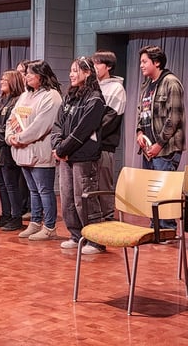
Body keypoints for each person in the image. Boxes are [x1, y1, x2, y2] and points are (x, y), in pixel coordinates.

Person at [51, 56, 106, 254]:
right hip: (66, 157)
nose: (71, 74)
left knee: (84, 200)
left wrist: (61, 150)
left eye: (76, 70)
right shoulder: (70, 96)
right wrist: (57, 146)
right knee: (67, 199)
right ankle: (77, 236)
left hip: (83, 157)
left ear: (88, 72)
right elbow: (58, 125)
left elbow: (82, 131)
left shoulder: (95, 99)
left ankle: (95, 241)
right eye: (71, 70)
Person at [5, 59, 62, 241]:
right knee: (33, 190)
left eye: (30, 73)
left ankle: (50, 226)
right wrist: (9, 137)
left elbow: (41, 126)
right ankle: (35, 222)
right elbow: (11, 118)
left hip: (39, 151)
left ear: (41, 75)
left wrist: (20, 138)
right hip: (21, 150)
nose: (26, 76)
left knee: (44, 190)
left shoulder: (51, 96)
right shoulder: (25, 96)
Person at [136, 45, 186, 231]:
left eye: (144, 61)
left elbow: (174, 118)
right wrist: (139, 132)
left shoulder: (171, 82)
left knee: (163, 190)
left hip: (165, 148)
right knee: (152, 191)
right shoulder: (146, 85)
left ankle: (166, 230)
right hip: (149, 149)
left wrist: (158, 144)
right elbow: (141, 112)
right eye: (140, 62)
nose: (141, 65)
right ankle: (155, 227)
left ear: (156, 62)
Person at [0, 70, 25, 231]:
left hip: (8, 150)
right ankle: (5, 214)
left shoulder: (17, 102)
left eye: (5, 79)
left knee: (11, 185)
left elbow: (9, 127)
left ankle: (16, 217)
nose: (1, 81)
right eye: (1, 78)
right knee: (1, 184)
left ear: (14, 82)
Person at [92, 50, 126, 220]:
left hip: (104, 146)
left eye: (98, 63)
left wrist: (87, 135)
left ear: (109, 66)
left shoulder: (116, 88)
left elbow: (109, 120)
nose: (94, 66)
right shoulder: (91, 86)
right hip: (87, 147)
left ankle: (107, 221)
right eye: (93, 62)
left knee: (103, 186)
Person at [16, 59, 31, 219]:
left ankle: (31, 208)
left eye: (22, 72)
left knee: (31, 182)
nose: (19, 75)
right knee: (21, 179)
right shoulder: (21, 94)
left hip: (29, 141)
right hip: (18, 140)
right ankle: (23, 207)